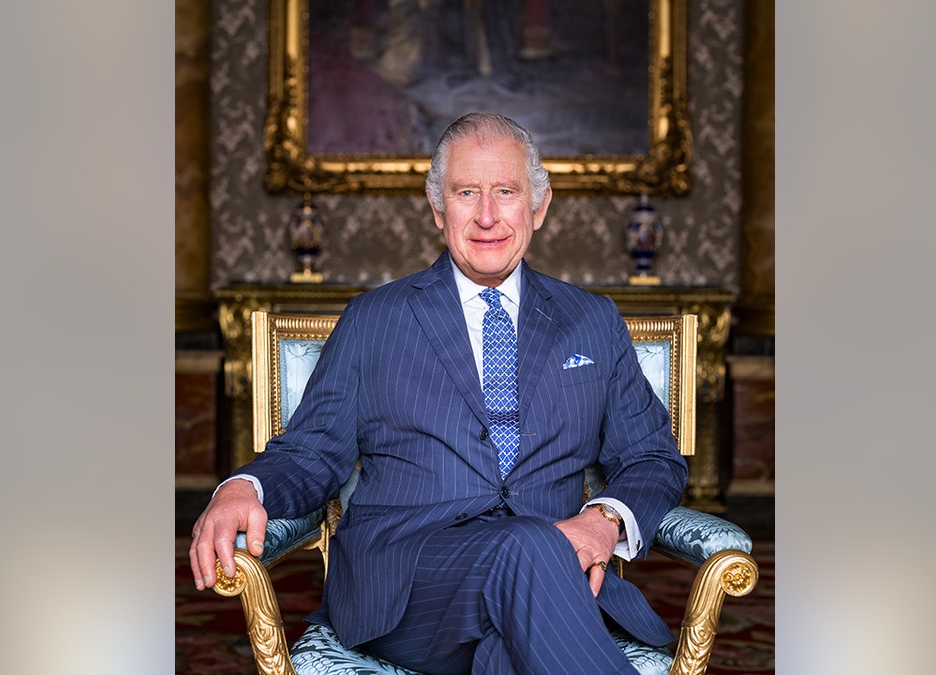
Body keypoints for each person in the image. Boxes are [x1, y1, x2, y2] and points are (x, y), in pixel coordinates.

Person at [190, 112, 688, 674]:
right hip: (407, 584)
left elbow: (651, 456)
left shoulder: (592, 322)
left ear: (539, 206)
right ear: (437, 209)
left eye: (506, 191)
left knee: (505, 649)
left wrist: (605, 519)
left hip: (550, 585)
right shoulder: (374, 319)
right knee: (526, 546)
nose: (486, 215)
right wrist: (241, 487)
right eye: (466, 192)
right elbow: (311, 452)